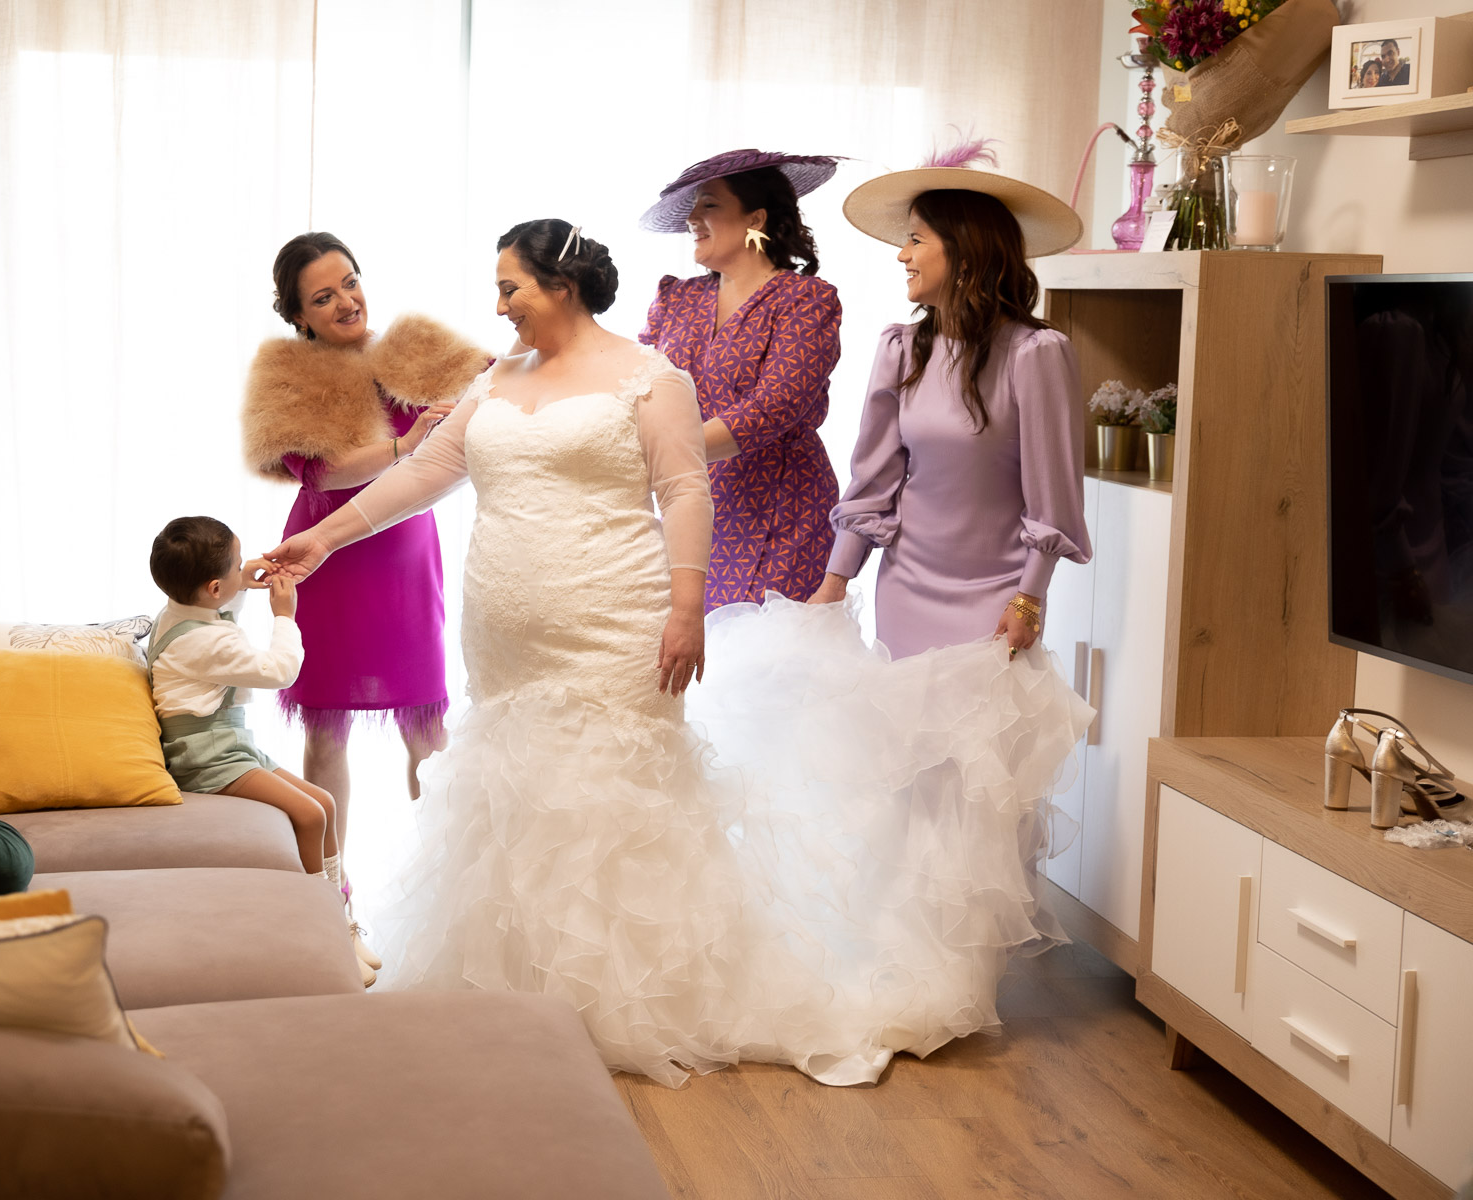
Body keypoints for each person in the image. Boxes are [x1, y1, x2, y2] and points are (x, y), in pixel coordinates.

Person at [262, 218, 1090, 1088]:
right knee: (517, 793)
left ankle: (622, 998)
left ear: (561, 287)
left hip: (614, 626)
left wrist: (687, 608)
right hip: (506, 643)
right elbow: (424, 473)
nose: (498, 306)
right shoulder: (496, 380)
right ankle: (518, 989)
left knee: (607, 794)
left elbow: (686, 490)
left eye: (510, 288)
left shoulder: (651, 379)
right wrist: (323, 540)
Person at [809, 140, 1093, 663]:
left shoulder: (1036, 354)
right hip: (904, 588)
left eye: (916, 239)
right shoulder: (900, 350)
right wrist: (835, 581)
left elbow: (1052, 497)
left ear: (965, 252)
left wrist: (1030, 597)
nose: (902, 254)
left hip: (999, 594)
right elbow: (874, 481)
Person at [242, 232, 489, 818]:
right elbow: (320, 474)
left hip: (406, 554)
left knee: (426, 725)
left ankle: (447, 864)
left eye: (350, 283)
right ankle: (331, 869)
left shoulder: (417, 353)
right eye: (323, 297)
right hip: (324, 556)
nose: (347, 302)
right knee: (326, 732)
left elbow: (505, 384)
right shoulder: (287, 377)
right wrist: (405, 446)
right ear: (298, 316)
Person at [145, 515, 372, 985]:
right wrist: (284, 616)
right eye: (236, 565)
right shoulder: (205, 643)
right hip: (207, 756)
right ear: (213, 588)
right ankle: (325, 932)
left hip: (229, 744)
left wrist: (239, 584)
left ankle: (343, 918)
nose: (242, 568)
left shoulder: (178, 613)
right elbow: (279, 670)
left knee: (324, 802)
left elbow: (216, 618)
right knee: (310, 814)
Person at [639, 150, 844, 610]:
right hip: (691, 504)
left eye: (709, 204)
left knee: (766, 650)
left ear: (756, 218)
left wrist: (665, 454)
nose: (692, 217)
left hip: (784, 511)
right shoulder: (676, 298)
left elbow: (773, 407)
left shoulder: (806, 300)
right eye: (694, 205)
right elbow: (631, 384)